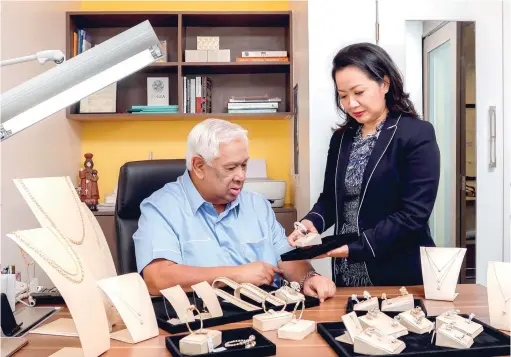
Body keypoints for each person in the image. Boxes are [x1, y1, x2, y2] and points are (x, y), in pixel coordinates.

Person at [288, 43, 440, 287]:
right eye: (343, 96)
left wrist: (355, 247)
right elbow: (330, 199)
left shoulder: (416, 134)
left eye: (358, 92)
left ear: (385, 84)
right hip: (347, 269)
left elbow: (414, 214)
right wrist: (309, 224)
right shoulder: (342, 138)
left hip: (398, 269)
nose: (351, 104)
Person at [133, 119, 336, 301]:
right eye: (230, 168)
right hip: (200, 322)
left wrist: (309, 278)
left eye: (244, 165)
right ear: (198, 166)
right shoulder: (161, 208)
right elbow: (157, 278)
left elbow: (286, 260)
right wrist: (234, 275)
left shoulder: (258, 205)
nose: (241, 176)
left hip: (267, 316)